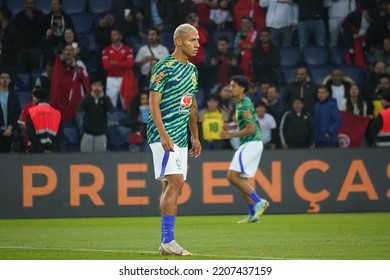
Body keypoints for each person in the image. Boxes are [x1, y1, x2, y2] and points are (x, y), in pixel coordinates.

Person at [147, 23, 202, 256]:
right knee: (176, 182)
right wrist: (163, 134)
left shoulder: (192, 71)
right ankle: (168, 241)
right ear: (178, 41)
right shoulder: (164, 67)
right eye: (192, 40)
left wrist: (195, 136)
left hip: (181, 136)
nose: (197, 44)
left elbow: (191, 105)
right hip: (163, 134)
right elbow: (153, 103)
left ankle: (164, 243)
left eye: (198, 40)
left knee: (171, 185)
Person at [220, 75, 269, 224]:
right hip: (250, 143)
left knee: (232, 176)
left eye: (233, 86)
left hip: (251, 143)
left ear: (242, 88)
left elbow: (251, 128)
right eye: (230, 85)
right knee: (242, 180)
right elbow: (247, 123)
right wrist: (232, 126)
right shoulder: (240, 103)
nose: (230, 88)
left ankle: (259, 201)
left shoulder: (245, 104)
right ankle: (253, 214)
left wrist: (230, 134)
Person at [50, 43, 90, 124]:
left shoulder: (79, 66)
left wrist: (79, 74)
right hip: (59, 101)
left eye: (71, 50)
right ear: (63, 52)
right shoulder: (58, 64)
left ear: (74, 53)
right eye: (67, 50)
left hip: (74, 103)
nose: (69, 52)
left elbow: (86, 82)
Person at [102, 27, 138, 110]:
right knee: (110, 103)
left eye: (114, 35)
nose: (112, 37)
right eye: (111, 35)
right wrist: (122, 64)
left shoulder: (127, 49)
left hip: (124, 78)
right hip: (111, 78)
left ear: (120, 36)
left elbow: (130, 64)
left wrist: (115, 63)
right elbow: (106, 66)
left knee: (126, 101)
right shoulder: (106, 50)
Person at [79, 79, 114, 152]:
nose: (97, 88)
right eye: (95, 85)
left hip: (101, 135)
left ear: (102, 87)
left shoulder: (106, 99)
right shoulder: (87, 98)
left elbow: (111, 110)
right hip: (88, 134)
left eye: (99, 85)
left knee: (100, 158)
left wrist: (103, 98)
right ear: (91, 87)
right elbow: (80, 108)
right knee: (85, 158)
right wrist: (89, 97)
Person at [26, 88, 62, 153]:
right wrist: (52, 149)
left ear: (38, 98)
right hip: (53, 152)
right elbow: (59, 134)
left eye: (34, 96)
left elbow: (31, 133)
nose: (32, 98)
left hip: (35, 151)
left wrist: (41, 150)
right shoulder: (57, 113)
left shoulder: (32, 112)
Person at [13, 0, 46, 72]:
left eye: (31, 4)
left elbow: (44, 29)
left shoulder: (40, 15)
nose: (29, 6)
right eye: (27, 4)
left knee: (35, 72)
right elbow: (13, 30)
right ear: (25, 4)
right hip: (22, 49)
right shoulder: (20, 15)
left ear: (35, 4)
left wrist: (32, 17)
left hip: (36, 49)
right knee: (21, 73)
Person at [0, 70, 22, 153]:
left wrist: (10, 127)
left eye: (7, 78)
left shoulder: (14, 96)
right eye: (2, 78)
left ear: (10, 80)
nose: (4, 80)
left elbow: (17, 113)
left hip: (8, 131)